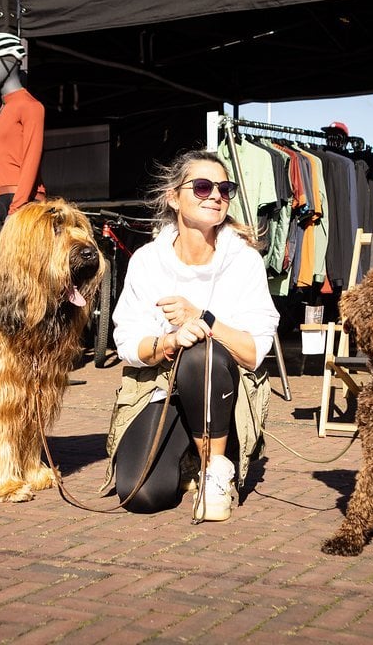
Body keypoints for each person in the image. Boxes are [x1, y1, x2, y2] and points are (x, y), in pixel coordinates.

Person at [106, 150, 280, 522]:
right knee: (142, 496)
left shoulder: (244, 261)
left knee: (202, 353)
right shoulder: (147, 261)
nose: (215, 195)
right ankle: (188, 458)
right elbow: (127, 343)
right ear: (174, 197)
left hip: (224, 394)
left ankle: (217, 468)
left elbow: (252, 353)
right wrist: (169, 341)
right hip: (161, 388)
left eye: (224, 188)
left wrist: (202, 318)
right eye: (202, 187)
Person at [0, 32, 46, 246]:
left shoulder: (31, 107)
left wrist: (17, 208)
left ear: (10, 60)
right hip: (4, 201)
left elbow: (32, 159)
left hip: (26, 201)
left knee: (25, 273)